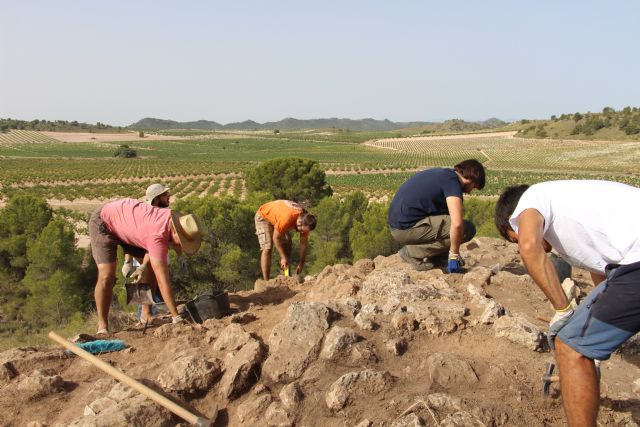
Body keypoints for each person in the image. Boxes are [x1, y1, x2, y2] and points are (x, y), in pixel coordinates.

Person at [494, 180, 640, 427]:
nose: (519, 242)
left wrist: (563, 309)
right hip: (630, 263)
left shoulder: (533, 197)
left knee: (570, 347)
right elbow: (604, 275)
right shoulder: (576, 205)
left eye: (514, 237)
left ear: (515, 219)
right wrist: (594, 319)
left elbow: (529, 248)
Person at [89, 197, 203, 334]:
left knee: (149, 269)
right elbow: (163, 281)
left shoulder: (167, 218)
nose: (180, 245)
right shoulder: (158, 235)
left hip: (128, 224)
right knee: (107, 275)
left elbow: (152, 253)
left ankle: (146, 314)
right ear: (174, 230)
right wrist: (176, 317)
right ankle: (102, 326)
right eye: (181, 240)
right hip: (104, 221)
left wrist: (142, 267)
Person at [387, 159, 485, 272]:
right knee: (467, 229)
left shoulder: (444, 174)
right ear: (471, 180)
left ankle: (438, 257)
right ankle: (411, 252)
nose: (471, 191)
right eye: (474, 187)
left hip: (398, 225)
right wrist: (454, 254)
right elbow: (457, 224)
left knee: (447, 219)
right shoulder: (453, 183)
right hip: (404, 229)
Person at [121, 183, 171, 317]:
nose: (169, 197)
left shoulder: (164, 213)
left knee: (158, 302)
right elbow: (129, 240)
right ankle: (146, 324)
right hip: (142, 267)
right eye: (165, 195)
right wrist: (128, 262)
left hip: (159, 264)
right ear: (156, 198)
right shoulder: (144, 216)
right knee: (145, 302)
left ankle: (151, 323)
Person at [255, 200, 317, 280]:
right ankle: (266, 282)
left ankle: (286, 277)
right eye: (301, 229)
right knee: (267, 247)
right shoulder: (288, 218)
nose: (302, 232)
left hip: (278, 218)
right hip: (263, 216)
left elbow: (303, 244)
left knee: (287, 243)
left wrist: (301, 263)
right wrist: (283, 257)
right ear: (300, 221)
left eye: (304, 231)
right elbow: (275, 238)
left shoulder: (305, 221)